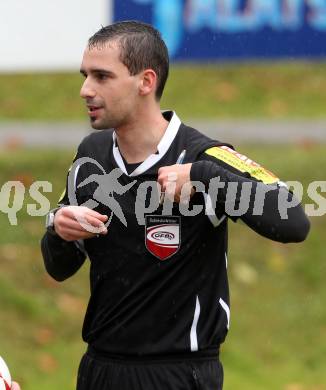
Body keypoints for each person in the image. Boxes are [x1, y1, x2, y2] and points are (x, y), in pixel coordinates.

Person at [41, 21, 310, 390]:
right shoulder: (92, 157)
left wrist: (204, 177)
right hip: (100, 370)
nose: (85, 89)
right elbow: (58, 267)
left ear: (145, 82)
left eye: (102, 77)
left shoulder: (203, 156)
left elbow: (294, 220)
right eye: (85, 75)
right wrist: (59, 229)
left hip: (180, 375)